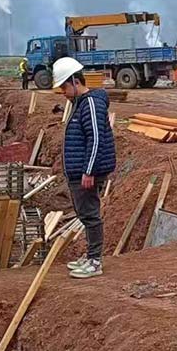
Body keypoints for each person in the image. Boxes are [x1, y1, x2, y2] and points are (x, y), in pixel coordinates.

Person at [55, 57, 116, 279]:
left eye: (64, 87)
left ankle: (94, 261)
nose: (62, 92)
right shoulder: (80, 103)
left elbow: (96, 138)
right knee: (85, 214)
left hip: (86, 172)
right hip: (80, 171)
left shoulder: (90, 104)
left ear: (75, 81)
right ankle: (90, 256)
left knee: (90, 215)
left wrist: (89, 170)